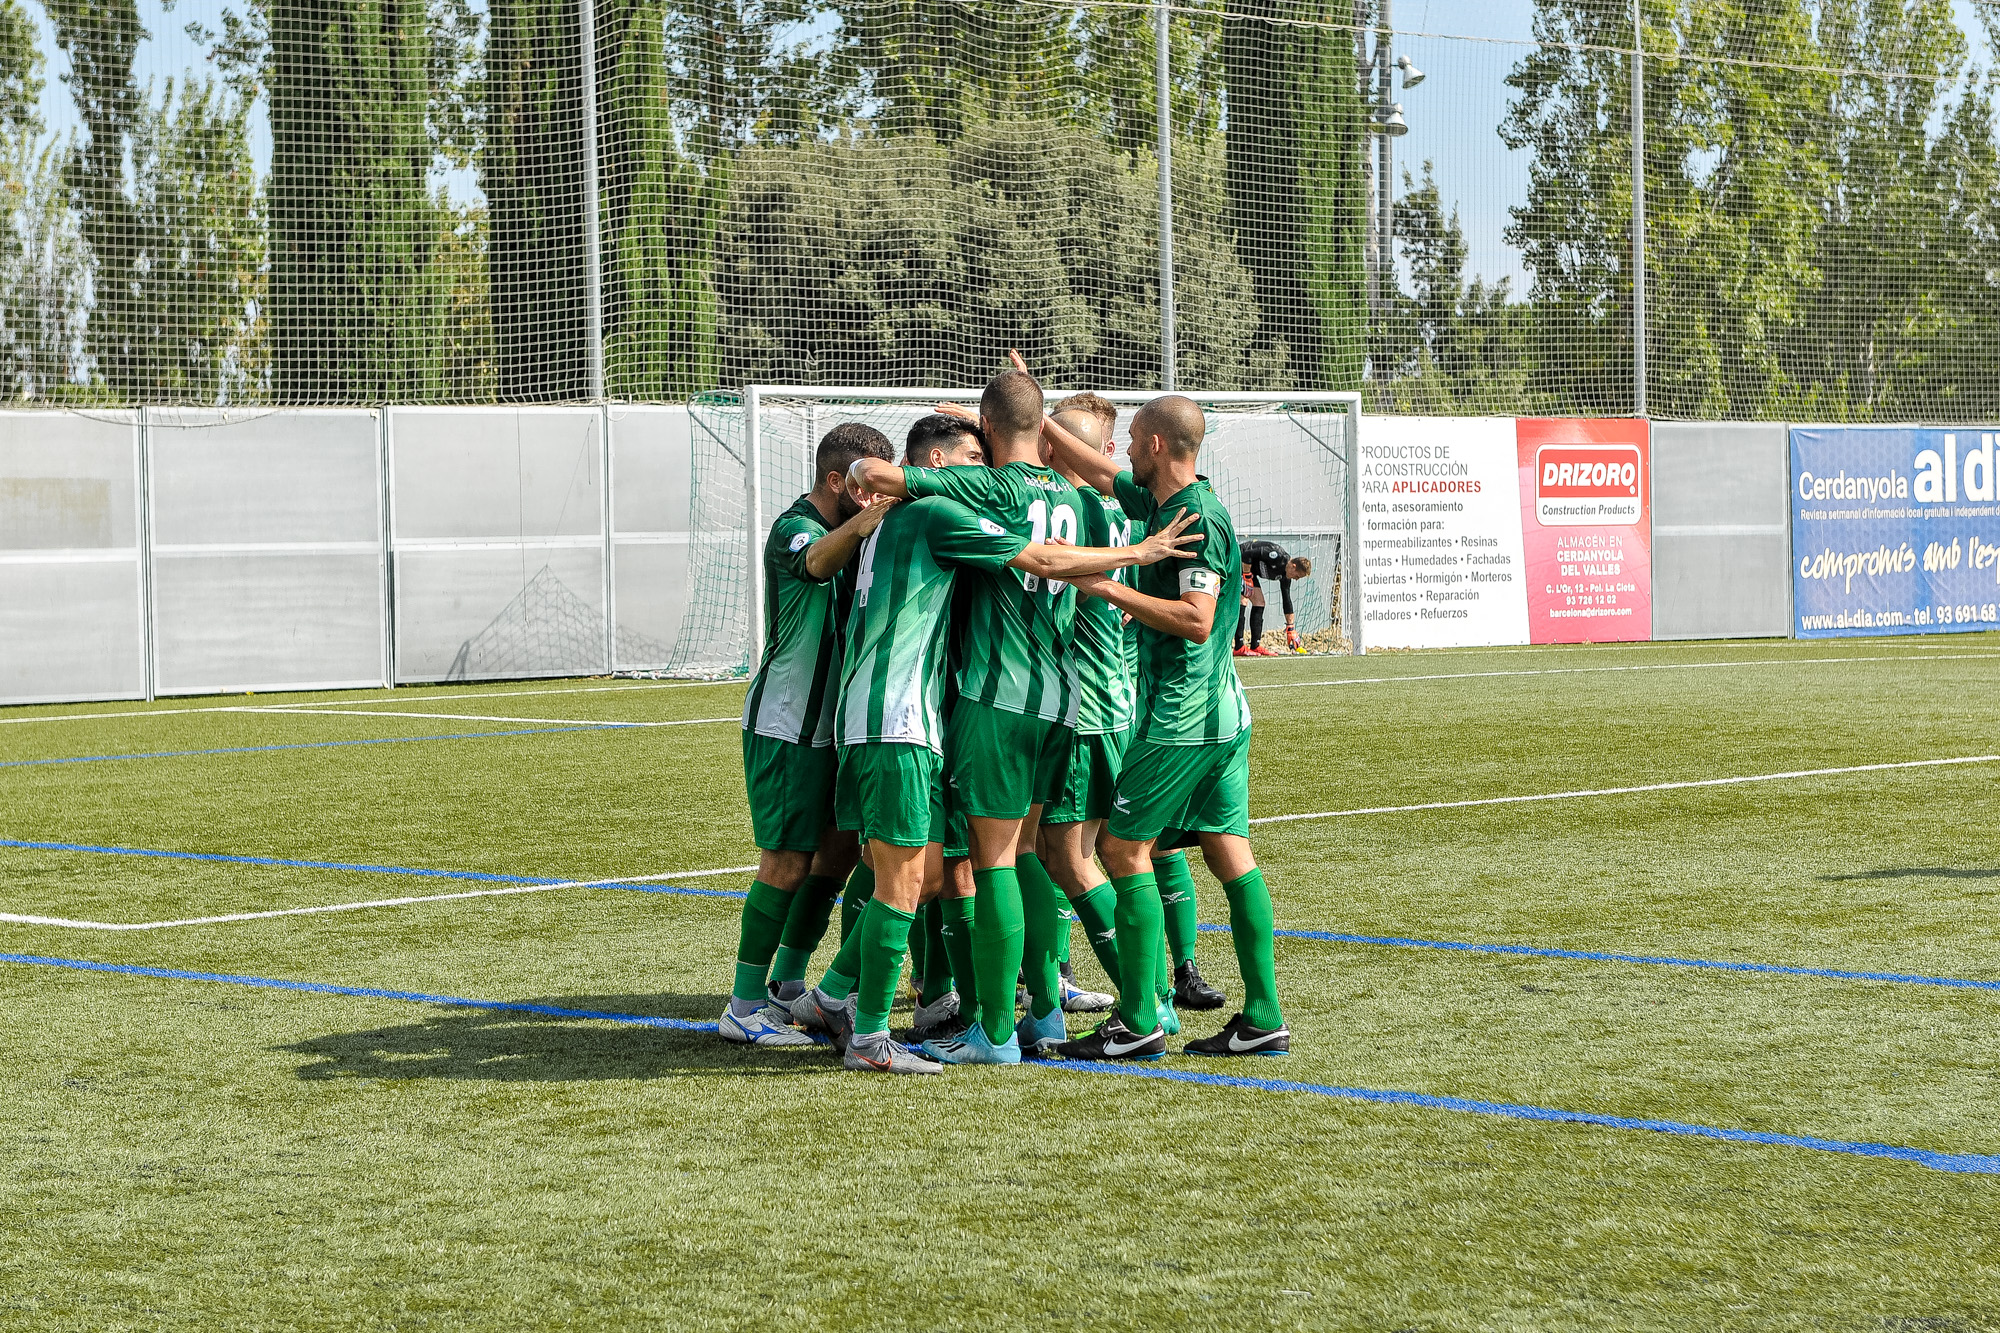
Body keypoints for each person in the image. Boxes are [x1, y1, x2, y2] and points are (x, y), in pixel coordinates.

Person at [791, 464, 1204, 1073]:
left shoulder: (917, 514)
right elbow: (1039, 554)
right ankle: (910, 1020)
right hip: (968, 711)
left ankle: (867, 1002)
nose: (976, 471)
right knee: (984, 865)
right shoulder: (957, 510)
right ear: (937, 469)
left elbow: (833, 547)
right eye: (965, 462)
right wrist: (1135, 553)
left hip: (929, 710)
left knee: (950, 869)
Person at [1039, 393, 1291, 1061]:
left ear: (1155, 445)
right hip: (1222, 716)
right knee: (1230, 853)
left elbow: (1198, 618)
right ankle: (1263, 1013)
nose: (1123, 450)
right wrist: (1031, 413)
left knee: (1123, 852)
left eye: (1133, 440)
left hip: (1182, 719)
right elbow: (1096, 469)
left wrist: (1103, 583)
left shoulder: (1197, 517)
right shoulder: (1161, 504)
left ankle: (1139, 1016)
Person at [1036, 392, 1222, 1030]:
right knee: (1127, 849)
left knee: (1075, 854)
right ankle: (1152, 980)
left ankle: (1142, 999)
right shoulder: (1137, 512)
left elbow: (1196, 620)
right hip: (1125, 702)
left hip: (1092, 707)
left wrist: (1017, 421)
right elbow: (1097, 463)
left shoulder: (1076, 512)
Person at [720, 424, 895, 1046]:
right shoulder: (796, 528)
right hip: (789, 723)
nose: (882, 494)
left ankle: (788, 983)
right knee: (786, 861)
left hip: (838, 727)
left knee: (840, 851)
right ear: (836, 482)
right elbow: (816, 563)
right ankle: (743, 1005)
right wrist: (864, 522)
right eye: (870, 484)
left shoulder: (858, 534)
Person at [1234, 540, 1312, 656]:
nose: (1296, 579)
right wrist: (1246, 576)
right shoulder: (1276, 556)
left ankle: (1255, 646)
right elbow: (1247, 554)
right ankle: (1239, 647)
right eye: (1297, 576)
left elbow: (1287, 599)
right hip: (1239, 560)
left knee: (1259, 602)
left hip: (1250, 571)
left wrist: (1290, 628)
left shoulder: (1286, 576)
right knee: (1243, 598)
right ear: (1293, 566)